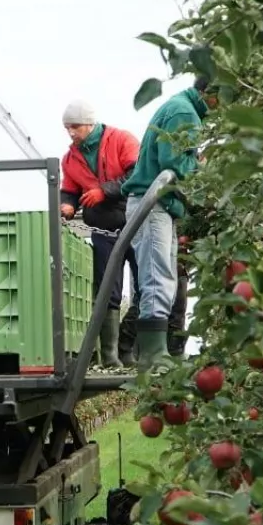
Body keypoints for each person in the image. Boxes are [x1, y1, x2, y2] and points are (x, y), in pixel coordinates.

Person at [120, 75, 214, 368]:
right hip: (153, 204)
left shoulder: (182, 108)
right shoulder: (184, 112)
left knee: (165, 276)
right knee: (156, 275)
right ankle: (152, 353)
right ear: (209, 92)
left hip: (162, 206)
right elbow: (172, 163)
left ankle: (156, 350)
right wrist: (201, 169)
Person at [57, 100, 140, 369]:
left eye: (75, 127)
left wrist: (105, 191)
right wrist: (68, 203)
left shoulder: (121, 140)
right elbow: (69, 188)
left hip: (135, 222)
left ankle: (130, 348)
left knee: (146, 287)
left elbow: (137, 175)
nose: (71, 132)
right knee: (107, 290)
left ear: (90, 124)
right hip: (103, 229)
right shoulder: (69, 159)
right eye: (67, 127)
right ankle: (110, 357)